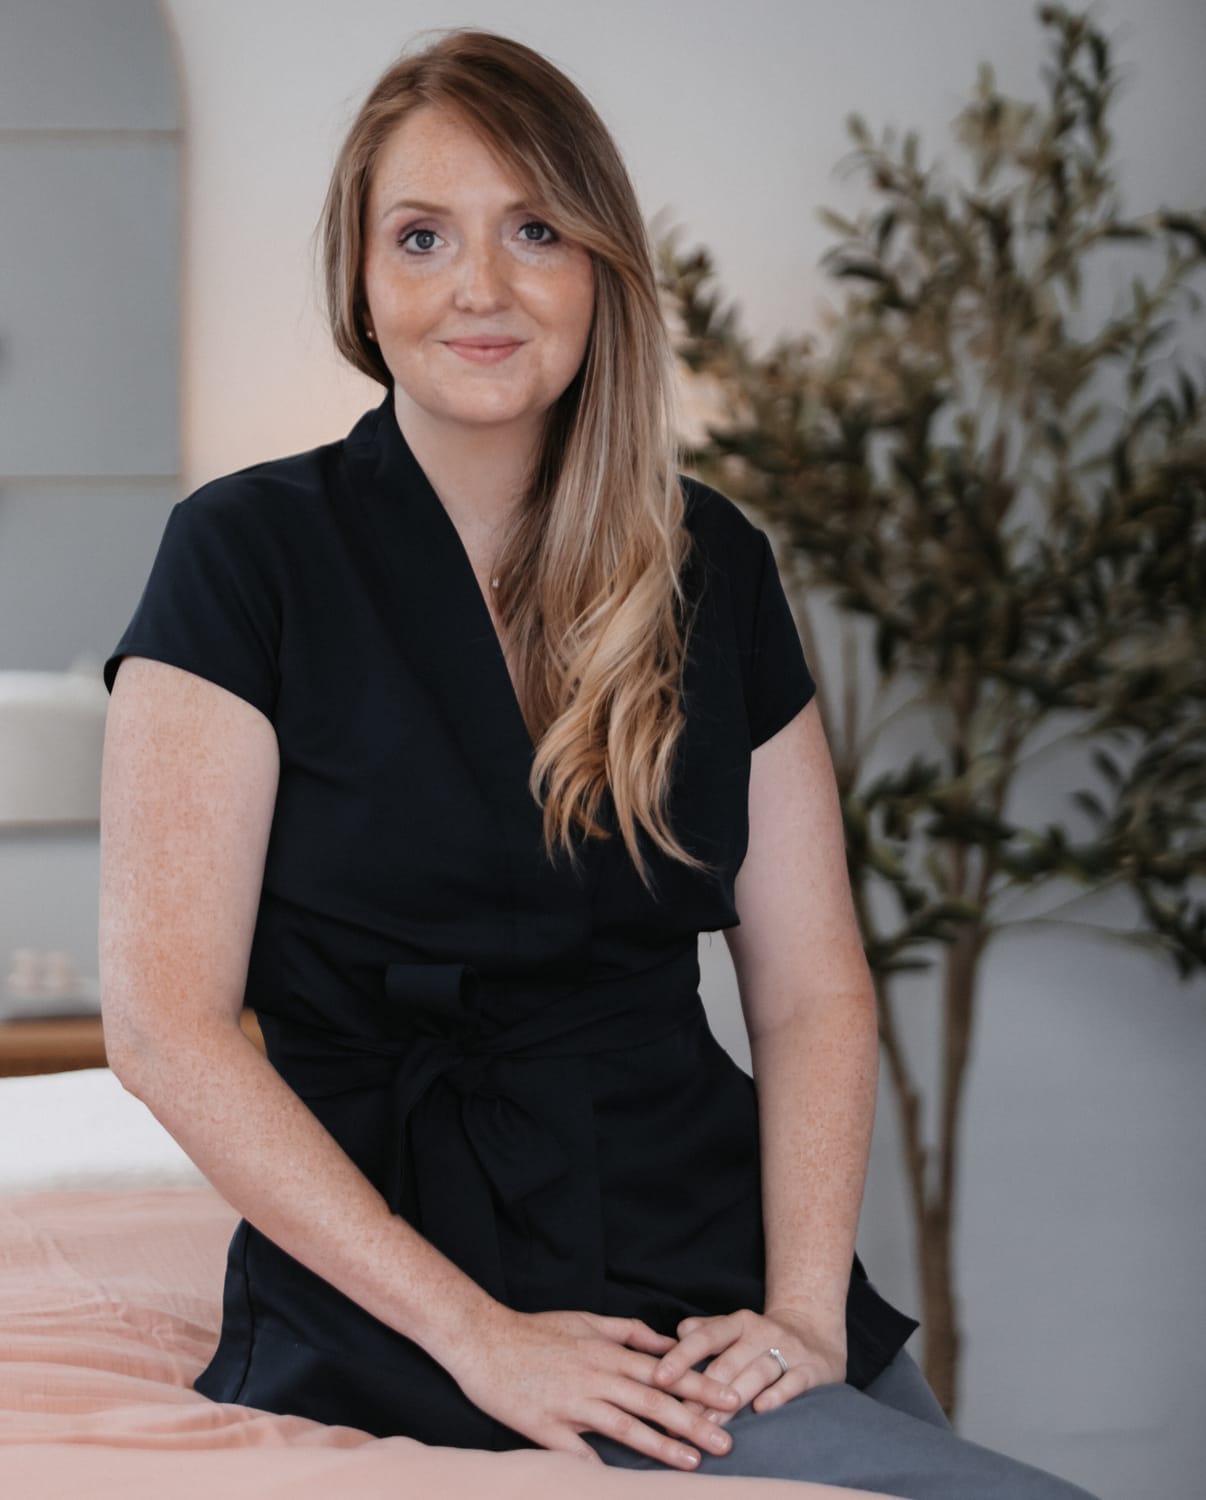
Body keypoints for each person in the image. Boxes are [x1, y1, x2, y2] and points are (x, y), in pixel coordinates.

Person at [97, 27, 1099, 1500]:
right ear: (359, 281)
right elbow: (164, 1029)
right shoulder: (244, 556)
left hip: (706, 1248)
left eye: (536, 231)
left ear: (600, 270)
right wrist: (481, 1337)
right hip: (406, 1287)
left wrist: (805, 1314)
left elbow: (811, 987)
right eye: (421, 236)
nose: (479, 287)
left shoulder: (711, 560)